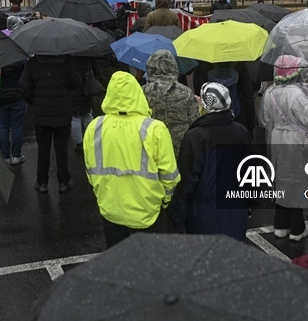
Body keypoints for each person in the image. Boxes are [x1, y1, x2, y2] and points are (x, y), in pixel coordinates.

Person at [84, 71, 178, 247]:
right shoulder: (155, 128)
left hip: (111, 208)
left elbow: (91, 171)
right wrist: (164, 200)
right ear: (137, 94)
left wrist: (103, 195)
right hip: (148, 211)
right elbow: (170, 175)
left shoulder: (94, 127)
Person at [259, 56, 308, 241]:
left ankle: (280, 225)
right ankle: (297, 228)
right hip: (295, 140)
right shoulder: (296, 94)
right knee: (297, 180)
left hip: (277, 138)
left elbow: (266, 119)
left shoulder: (270, 92)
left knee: (281, 180)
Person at [172, 82, 250, 240]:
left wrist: (177, 217)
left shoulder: (194, 137)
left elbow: (186, 183)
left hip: (203, 216)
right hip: (236, 211)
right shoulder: (241, 131)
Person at [20, 53, 82, 193]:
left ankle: (42, 182)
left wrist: (35, 102)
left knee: (43, 149)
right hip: (62, 113)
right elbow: (76, 83)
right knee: (61, 150)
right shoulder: (67, 61)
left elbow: (24, 88)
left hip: (41, 115)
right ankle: (63, 181)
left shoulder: (33, 63)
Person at [141, 50, 199, 156]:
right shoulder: (186, 92)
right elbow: (194, 122)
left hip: (152, 146)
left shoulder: (143, 92)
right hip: (181, 147)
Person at [0, 58, 27, 164]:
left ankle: (5, 156)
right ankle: (16, 155)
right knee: (16, 127)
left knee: (3, 127)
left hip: (1, 98)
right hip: (17, 97)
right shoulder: (20, 59)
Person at [69, 57, 95, 153]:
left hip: (73, 91)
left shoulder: (68, 58)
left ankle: (79, 143)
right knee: (88, 115)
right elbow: (97, 71)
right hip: (87, 88)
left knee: (75, 117)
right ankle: (91, 138)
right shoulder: (88, 57)